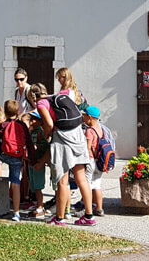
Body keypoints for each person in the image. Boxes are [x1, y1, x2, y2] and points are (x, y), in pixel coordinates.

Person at [32, 67, 95, 226]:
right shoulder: (63, 94)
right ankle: (89, 216)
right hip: (78, 134)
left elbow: (49, 123)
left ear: (33, 97)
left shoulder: (41, 103)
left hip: (63, 137)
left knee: (62, 179)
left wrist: (46, 136)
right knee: (81, 179)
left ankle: (59, 218)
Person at [0, 100, 36, 222]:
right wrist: (33, 159)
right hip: (17, 156)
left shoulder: (3, 125)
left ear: (5, 112)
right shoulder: (22, 125)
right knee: (15, 182)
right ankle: (16, 213)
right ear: (18, 112)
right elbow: (29, 143)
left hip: (5, 155)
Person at [79, 105, 113, 216]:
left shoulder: (89, 131)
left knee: (87, 184)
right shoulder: (100, 128)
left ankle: (87, 209)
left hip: (91, 160)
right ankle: (99, 209)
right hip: (100, 162)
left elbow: (88, 147)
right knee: (97, 185)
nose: (82, 118)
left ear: (89, 117)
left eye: (84, 115)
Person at [25, 110, 51, 218]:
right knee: (34, 185)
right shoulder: (32, 131)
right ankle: (37, 204)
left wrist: (37, 147)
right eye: (31, 119)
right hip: (31, 161)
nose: (31, 121)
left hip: (38, 161)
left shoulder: (40, 131)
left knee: (38, 186)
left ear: (40, 121)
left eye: (34, 119)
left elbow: (46, 145)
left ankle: (40, 206)